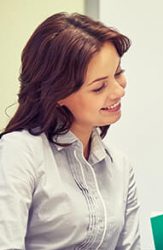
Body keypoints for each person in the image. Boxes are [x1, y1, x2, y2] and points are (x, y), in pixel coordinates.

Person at [0, 12, 140, 249]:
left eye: (118, 73)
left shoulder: (120, 166)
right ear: (58, 95)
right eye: (99, 87)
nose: (118, 91)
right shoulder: (19, 153)